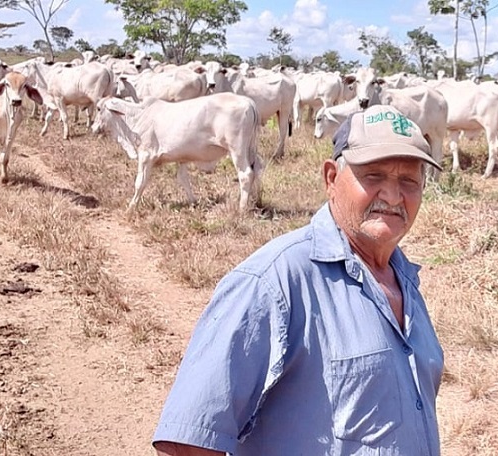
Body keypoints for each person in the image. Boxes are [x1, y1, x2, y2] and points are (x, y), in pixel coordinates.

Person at [152, 104, 445, 456]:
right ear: (331, 179)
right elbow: (188, 442)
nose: (394, 196)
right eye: (374, 176)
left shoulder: (404, 279)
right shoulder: (272, 282)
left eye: (409, 181)